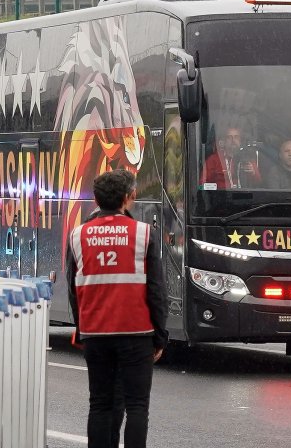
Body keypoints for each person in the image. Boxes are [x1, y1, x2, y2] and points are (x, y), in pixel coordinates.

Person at [67, 169, 167, 448]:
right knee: (137, 406)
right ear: (129, 196)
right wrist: (160, 336)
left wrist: (82, 330)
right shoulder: (144, 233)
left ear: (96, 200)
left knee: (99, 404)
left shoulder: (77, 235)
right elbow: (156, 290)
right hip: (136, 333)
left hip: (95, 333)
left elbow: (73, 290)